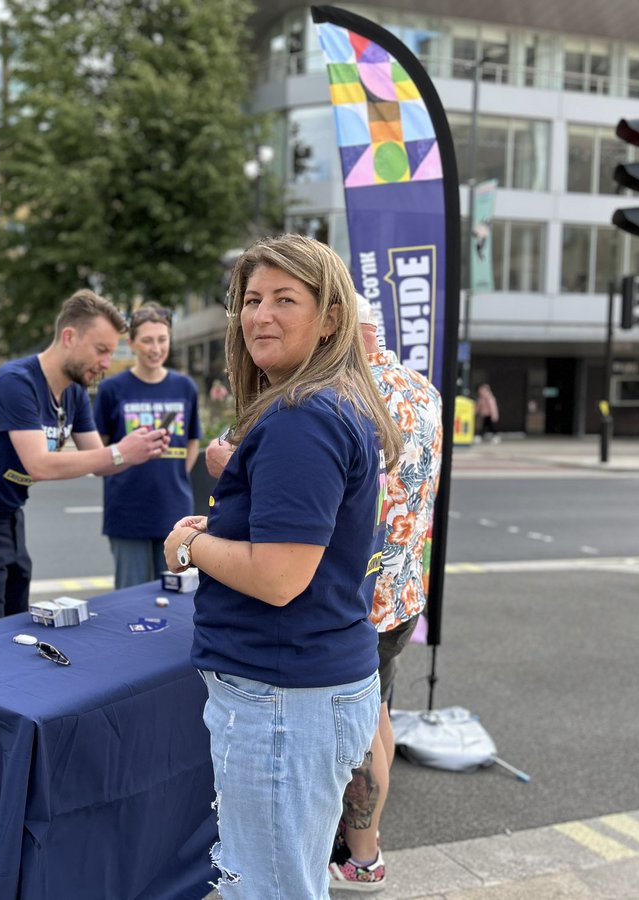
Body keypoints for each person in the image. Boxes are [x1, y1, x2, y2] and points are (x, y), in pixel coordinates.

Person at [162, 234, 403, 899]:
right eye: (252, 299)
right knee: (282, 878)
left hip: (283, 697)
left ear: (331, 318)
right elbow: (302, 546)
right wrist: (227, 527)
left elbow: (278, 576)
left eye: (284, 300)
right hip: (305, 687)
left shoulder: (303, 416)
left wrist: (186, 546)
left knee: (267, 887)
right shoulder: (329, 403)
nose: (259, 315)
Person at [0, 289, 170, 629]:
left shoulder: (73, 392)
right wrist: (121, 451)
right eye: (101, 350)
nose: (107, 363)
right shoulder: (15, 383)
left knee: (15, 628)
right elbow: (39, 464)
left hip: (10, 516)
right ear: (69, 337)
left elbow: (98, 460)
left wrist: (140, 449)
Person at [327, 295, 443, 891]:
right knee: (379, 717)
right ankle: (359, 846)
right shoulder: (426, 392)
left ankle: (362, 855)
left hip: (358, 597)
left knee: (360, 731)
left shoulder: (348, 397)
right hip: (403, 591)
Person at [94, 304, 202, 588]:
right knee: (130, 600)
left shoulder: (185, 387)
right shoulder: (111, 389)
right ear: (131, 344)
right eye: (147, 340)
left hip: (174, 510)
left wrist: (176, 475)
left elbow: (192, 440)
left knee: (175, 598)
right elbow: (99, 450)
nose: (156, 348)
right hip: (127, 511)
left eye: (162, 339)